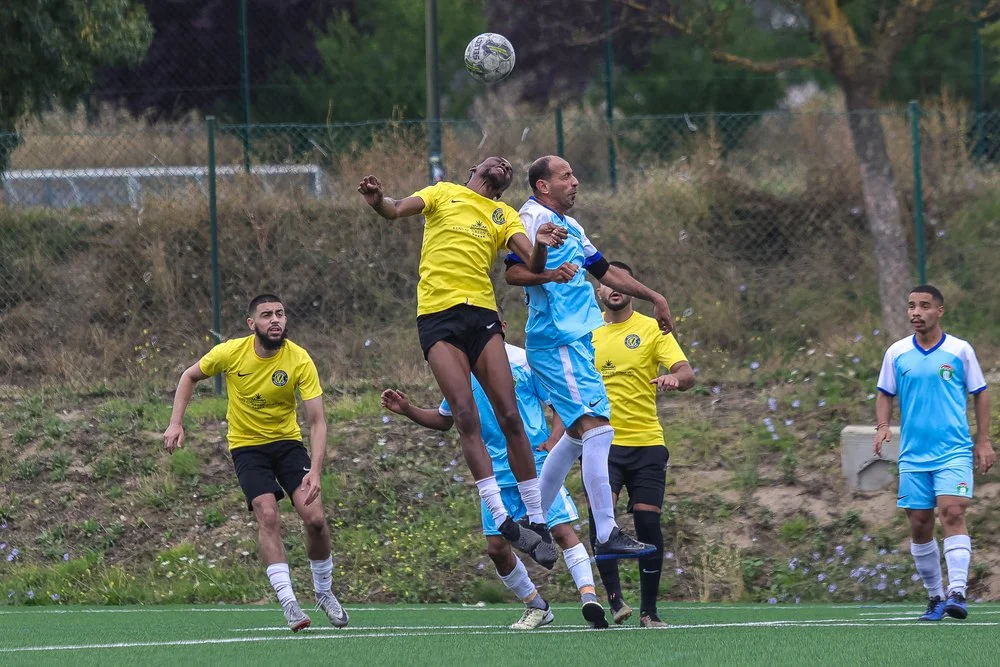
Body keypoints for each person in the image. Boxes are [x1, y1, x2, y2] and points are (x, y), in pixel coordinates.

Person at [358, 158, 569, 567]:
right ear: (475, 167)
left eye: (509, 166)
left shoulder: (504, 214)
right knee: (466, 415)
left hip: (481, 315)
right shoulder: (443, 192)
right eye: (497, 160)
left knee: (510, 414)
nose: (504, 164)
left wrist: (540, 241)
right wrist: (376, 200)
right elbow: (395, 208)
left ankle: (537, 522)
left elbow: (534, 264)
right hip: (437, 316)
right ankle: (504, 520)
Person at [381, 314, 609, 630]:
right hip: (494, 471)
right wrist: (408, 410)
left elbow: (558, 402)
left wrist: (553, 440)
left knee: (560, 530)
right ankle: (537, 607)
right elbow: (445, 419)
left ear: (500, 327)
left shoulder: (524, 362)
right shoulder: (461, 371)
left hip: (534, 463)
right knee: (496, 548)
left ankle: (588, 597)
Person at [504, 155, 674, 560]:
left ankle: (533, 522)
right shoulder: (530, 218)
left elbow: (606, 271)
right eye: (566, 176)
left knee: (581, 434)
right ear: (543, 186)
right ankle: (606, 530)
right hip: (557, 339)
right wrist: (544, 268)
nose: (575, 181)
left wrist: (654, 297)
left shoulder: (573, 227)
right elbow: (513, 272)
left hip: (578, 340)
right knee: (599, 430)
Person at [162, 294, 349, 633]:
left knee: (316, 519)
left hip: (288, 446)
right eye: (266, 315)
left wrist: (317, 471)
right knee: (267, 513)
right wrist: (176, 422)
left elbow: (318, 421)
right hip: (248, 447)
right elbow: (188, 377)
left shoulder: (300, 360)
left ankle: (323, 592)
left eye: (280, 314)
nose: (275, 320)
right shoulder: (230, 353)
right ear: (252, 324)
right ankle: (289, 602)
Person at [874, 284, 994, 622]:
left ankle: (957, 591)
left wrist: (983, 440)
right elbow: (884, 392)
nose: (916, 312)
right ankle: (935, 596)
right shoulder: (896, 353)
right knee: (919, 523)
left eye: (924, 306)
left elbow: (980, 393)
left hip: (953, 451)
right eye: (912, 306)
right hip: (914, 454)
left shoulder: (960, 351)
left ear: (939, 311)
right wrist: (882, 425)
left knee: (953, 512)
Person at [591, 261, 694, 628]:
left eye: (620, 283)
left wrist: (674, 380)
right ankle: (616, 600)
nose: (613, 288)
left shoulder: (652, 329)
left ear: (631, 290)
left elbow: (687, 373)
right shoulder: (588, 333)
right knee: (603, 520)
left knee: (648, 522)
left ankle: (649, 611)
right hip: (603, 444)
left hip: (647, 442)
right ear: (599, 291)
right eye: (606, 283)